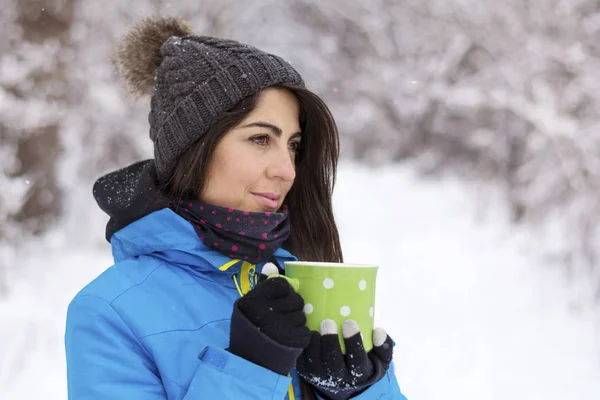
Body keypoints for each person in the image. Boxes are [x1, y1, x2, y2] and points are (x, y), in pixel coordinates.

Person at [64, 16, 407, 400]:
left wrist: (358, 392)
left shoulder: (298, 274)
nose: (287, 170)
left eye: (293, 145)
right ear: (194, 149)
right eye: (261, 138)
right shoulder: (109, 312)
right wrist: (250, 369)